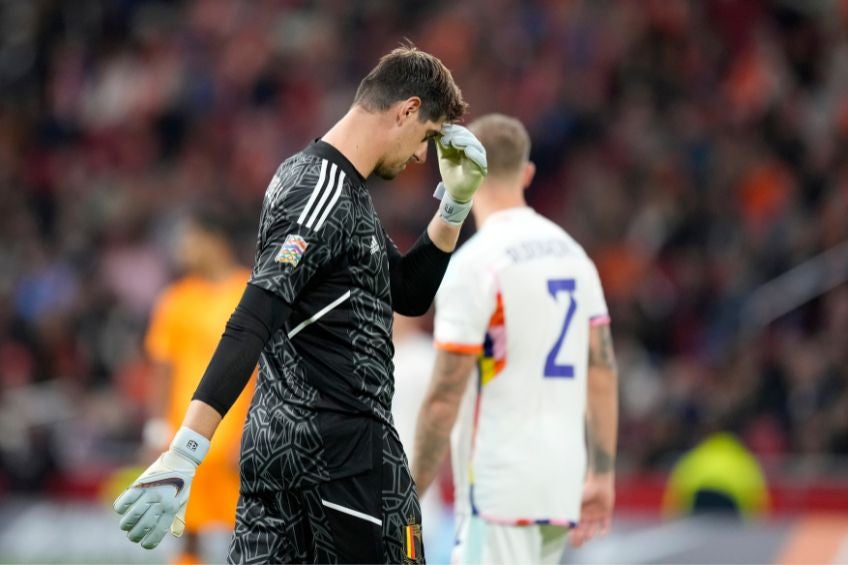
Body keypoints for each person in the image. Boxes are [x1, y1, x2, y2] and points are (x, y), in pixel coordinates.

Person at [113, 45, 487, 565]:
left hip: (280, 457)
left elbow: (405, 292)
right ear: (406, 110)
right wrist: (185, 450)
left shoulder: (326, 185)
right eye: (426, 137)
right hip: (345, 461)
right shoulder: (326, 191)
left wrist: (454, 206)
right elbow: (253, 318)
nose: (423, 158)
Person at [411, 114, 619, 564]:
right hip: (561, 486)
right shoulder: (573, 255)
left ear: (465, 175)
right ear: (526, 174)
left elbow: (445, 396)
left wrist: (410, 494)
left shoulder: (475, 265)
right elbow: (601, 370)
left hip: (500, 491)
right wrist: (602, 474)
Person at [142, 208, 255, 563]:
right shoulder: (176, 299)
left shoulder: (250, 292)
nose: (181, 247)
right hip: (185, 439)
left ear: (213, 241)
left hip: (234, 438)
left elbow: (265, 368)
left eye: (188, 238)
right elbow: (162, 370)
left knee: (251, 527)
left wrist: (252, 431)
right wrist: (157, 429)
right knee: (186, 529)